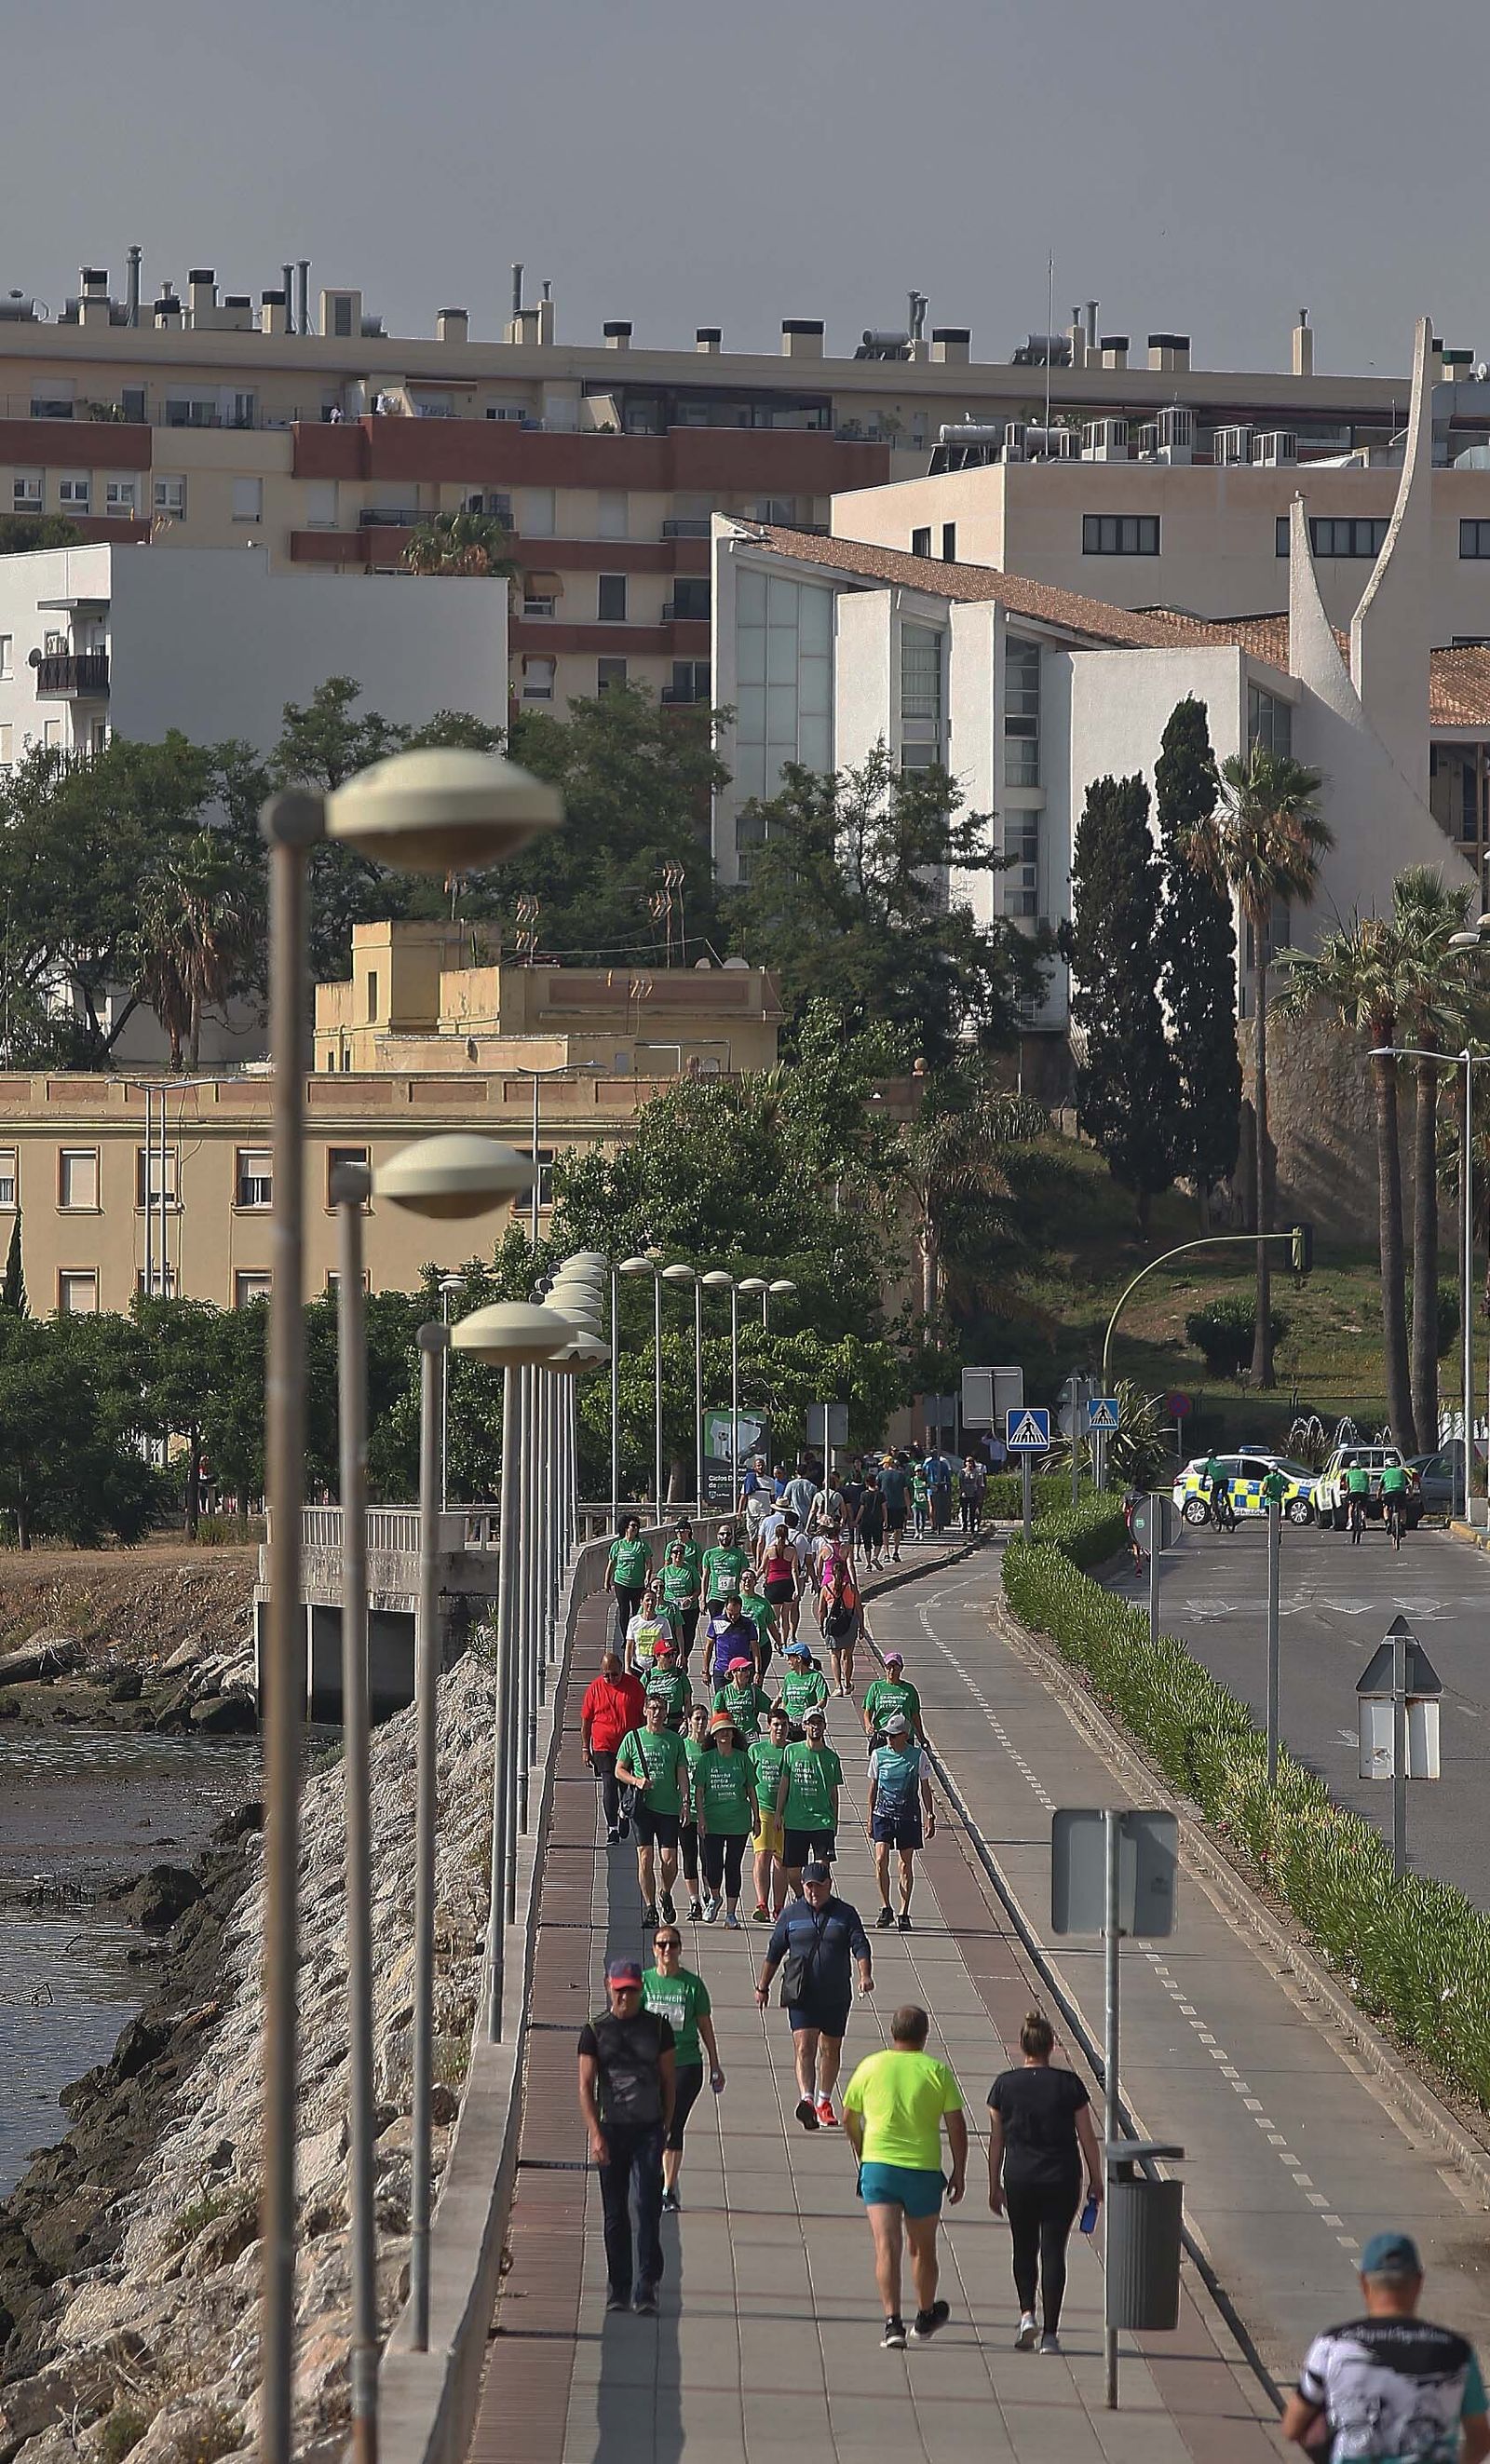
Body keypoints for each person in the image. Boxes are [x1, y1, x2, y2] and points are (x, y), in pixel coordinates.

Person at [1281, 2229, 1490, 2464]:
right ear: (1419, 2282)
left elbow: (1292, 2427)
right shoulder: (1457, 2352)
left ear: (1363, 2283)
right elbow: (1480, 2440)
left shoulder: (1332, 2346)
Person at [842, 2004, 968, 2349]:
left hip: (879, 2167)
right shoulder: (937, 2071)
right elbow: (956, 2126)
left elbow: (848, 2117)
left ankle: (892, 2324)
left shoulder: (870, 2066)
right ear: (925, 2035)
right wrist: (959, 2170)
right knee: (922, 2248)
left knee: (886, 2246)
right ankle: (925, 2316)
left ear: (892, 2032)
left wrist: (863, 2150)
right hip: (923, 2170)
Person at [987, 2010, 1104, 2355]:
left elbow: (997, 2140)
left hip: (1020, 2177)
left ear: (1021, 2045)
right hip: (1062, 2178)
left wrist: (993, 2184)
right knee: (1054, 2251)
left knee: (1023, 2247)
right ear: (1052, 2046)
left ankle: (1027, 2315)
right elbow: (1087, 2137)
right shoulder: (1070, 2085)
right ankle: (1050, 2334)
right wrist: (1096, 2178)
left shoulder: (1004, 2086)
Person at [577, 1956, 676, 2315]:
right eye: (620, 1991)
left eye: (631, 1991)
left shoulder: (658, 2029)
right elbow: (585, 2086)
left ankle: (647, 2284)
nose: (625, 1998)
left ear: (640, 1991)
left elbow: (669, 2081)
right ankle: (619, 2287)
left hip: (648, 2129)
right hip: (612, 2130)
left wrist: (665, 2126)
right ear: (609, 1987)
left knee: (647, 2207)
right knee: (615, 2213)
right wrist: (595, 2133)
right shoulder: (594, 2031)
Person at [756, 1861, 874, 2130]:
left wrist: (865, 1975)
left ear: (829, 1885)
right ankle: (807, 2100)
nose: (813, 1891)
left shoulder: (845, 1914)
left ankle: (824, 2100)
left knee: (830, 2049)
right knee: (804, 2047)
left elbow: (860, 1945)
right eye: (809, 1886)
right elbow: (774, 1952)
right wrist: (762, 1987)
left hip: (835, 1994)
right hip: (802, 1993)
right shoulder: (791, 1915)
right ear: (803, 1886)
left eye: (818, 1886)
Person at [643, 1923, 724, 2212]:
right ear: (654, 1950)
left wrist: (715, 2064)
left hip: (685, 2064)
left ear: (680, 1949)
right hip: (650, 2066)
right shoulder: (644, 1983)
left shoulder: (692, 1985)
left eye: (672, 1945)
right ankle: (652, 2177)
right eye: (662, 1944)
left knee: (673, 2123)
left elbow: (705, 2026)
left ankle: (668, 2189)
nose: (667, 1950)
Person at [615, 1690, 693, 1929]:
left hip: (668, 1807)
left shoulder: (674, 1741)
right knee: (645, 1857)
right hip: (643, 1808)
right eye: (653, 1708)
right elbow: (619, 1770)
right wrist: (636, 1781)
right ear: (645, 1711)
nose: (657, 1713)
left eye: (661, 1709)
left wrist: (685, 1803)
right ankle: (650, 1907)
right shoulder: (633, 1738)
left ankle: (665, 1892)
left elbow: (682, 1773)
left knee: (670, 1861)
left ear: (666, 1713)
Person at [867, 1712, 936, 1932]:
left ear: (905, 1735)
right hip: (883, 1814)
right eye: (887, 1734)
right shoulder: (878, 1755)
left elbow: (925, 1787)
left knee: (905, 1863)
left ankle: (904, 1912)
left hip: (908, 1816)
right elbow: (873, 1788)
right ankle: (885, 1906)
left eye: (894, 1735)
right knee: (880, 1859)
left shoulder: (918, 1756)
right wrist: (869, 1817)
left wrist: (930, 1815)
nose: (889, 1738)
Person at [695, 1709, 760, 1925]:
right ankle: (715, 1898)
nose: (725, 1734)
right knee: (713, 1866)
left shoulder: (743, 1759)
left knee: (733, 1866)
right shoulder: (706, 1760)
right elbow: (699, 1792)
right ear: (713, 1735)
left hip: (738, 1822)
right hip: (712, 1821)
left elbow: (751, 1790)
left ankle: (731, 1913)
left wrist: (757, 1819)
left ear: (734, 1734)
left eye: (729, 1731)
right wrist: (701, 1818)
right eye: (720, 1731)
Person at [776, 1702, 843, 1891]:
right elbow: (784, 1784)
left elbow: (833, 1792)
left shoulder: (831, 1758)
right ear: (804, 1726)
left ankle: (820, 1902)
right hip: (795, 1820)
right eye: (811, 1723)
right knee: (793, 1872)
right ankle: (802, 1898)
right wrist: (778, 1813)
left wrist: (834, 1820)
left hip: (822, 1821)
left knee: (822, 1869)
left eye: (819, 1723)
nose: (815, 1727)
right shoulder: (791, 1751)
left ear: (824, 1726)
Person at [581, 1651, 646, 1843]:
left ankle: (624, 1812)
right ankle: (612, 1828)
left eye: (615, 1674)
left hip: (629, 1745)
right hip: (604, 1745)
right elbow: (586, 1720)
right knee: (609, 1784)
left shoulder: (634, 1686)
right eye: (606, 1675)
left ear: (621, 1670)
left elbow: (643, 1716)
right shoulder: (594, 1689)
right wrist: (585, 1748)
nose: (611, 1679)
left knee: (627, 1786)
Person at [749, 1704, 792, 1923]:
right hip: (763, 1810)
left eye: (783, 1725)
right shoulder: (757, 1750)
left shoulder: (792, 1750)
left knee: (781, 1861)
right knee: (762, 1855)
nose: (780, 1729)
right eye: (776, 1724)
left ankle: (779, 1907)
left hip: (787, 1813)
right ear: (768, 1726)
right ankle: (761, 1903)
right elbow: (747, 1781)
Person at [678, 1701, 711, 1920]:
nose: (700, 1723)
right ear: (689, 1721)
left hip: (708, 1811)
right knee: (689, 1856)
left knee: (707, 1856)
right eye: (697, 1719)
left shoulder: (711, 1748)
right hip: (686, 1810)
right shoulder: (682, 1746)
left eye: (704, 1719)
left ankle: (709, 1894)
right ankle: (694, 1901)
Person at [862, 1649, 926, 1749]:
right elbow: (868, 1710)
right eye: (889, 1667)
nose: (892, 1670)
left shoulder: (909, 1689)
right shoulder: (876, 1687)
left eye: (896, 1667)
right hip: (883, 1735)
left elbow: (915, 1716)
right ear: (885, 1667)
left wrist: (921, 1737)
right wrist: (868, 1724)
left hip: (903, 1737)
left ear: (901, 1669)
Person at [606, 1515, 654, 1646]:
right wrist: (607, 1580)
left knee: (637, 1611)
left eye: (637, 1526)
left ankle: (636, 1637)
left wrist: (647, 1577)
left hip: (638, 1584)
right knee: (624, 1610)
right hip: (621, 1582)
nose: (635, 1528)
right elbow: (611, 1564)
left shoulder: (642, 1545)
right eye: (632, 1526)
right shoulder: (618, 1545)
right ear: (625, 1527)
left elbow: (649, 1564)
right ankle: (626, 1639)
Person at [822, 1554, 865, 1697]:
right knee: (847, 1655)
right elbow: (858, 1608)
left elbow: (821, 1610)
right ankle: (847, 1684)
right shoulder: (852, 1588)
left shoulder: (826, 1588)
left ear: (832, 1573)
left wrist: (822, 1626)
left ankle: (838, 1686)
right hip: (850, 1622)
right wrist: (862, 1626)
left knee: (834, 1655)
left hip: (833, 1623)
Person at [658, 1529, 702, 1665]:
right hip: (671, 1609)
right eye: (675, 1552)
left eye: (681, 1553)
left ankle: (684, 1659)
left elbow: (698, 1589)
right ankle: (672, 1659)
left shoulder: (691, 1569)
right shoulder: (665, 1571)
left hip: (688, 1609)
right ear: (671, 1555)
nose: (678, 1555)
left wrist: (691, 1598)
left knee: (688, 1637)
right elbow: (656, 1587)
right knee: (672, 1637)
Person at [703, 1592, 761, 1691]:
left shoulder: (748, 1624)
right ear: (725, 1608)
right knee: (720, 1698)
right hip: (722, 1669)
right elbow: (708, 1648)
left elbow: (755, 1649)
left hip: (742, 1670)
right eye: (730, 1614)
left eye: (736, 1614)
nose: (733, 1617)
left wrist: (757, 1671)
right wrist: (705, 1671)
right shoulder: (716, 1623)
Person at [777, 1635, 831, 1737]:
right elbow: (785, 1702)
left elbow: (822, 1701)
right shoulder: (788, 1677)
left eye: (789, 1657)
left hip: (807, 1725)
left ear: (798, 1659)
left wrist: (810, 1714)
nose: (787, 1661)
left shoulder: (816, 1677)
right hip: (790, 1726)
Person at [711, 1650, 770, 1738]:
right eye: (743, 1670)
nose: (747, 1673)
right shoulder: (723, 1693)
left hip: (751, 1735)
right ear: (733, 1672)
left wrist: (779, 1698)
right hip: (733, 1735)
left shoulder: (754, 1691)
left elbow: (770, 1708)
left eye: (749, 1669)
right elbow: (716, 1716)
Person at [761, 1516, 802, 1642]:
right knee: (785, 1615)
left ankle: (777, 1640)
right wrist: (797, 1589)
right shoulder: (792, 1550)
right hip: (788, 1584)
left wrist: (753, 1578)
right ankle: (784, 1642)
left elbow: (762, 1568)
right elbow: (794, 1570)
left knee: (775, 1616)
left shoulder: (769, 1550)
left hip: (773, 1585)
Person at [625, 1584, 675, 1678]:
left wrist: (671, 1665)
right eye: (647, 1600)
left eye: (653, 1600)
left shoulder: (663, 1622)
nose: (650, 1603)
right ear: (641, 1602)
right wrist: (627, 1668)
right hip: (637, 1667)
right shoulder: (633, 1622)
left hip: (657, 1667)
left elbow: (669, 1644)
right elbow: (629, 1646)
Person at [701, 1520, 750, 1614]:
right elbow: (705, 1577)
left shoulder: (739, 1553)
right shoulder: (709, 1554)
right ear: (717, 1536)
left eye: (728, 1534)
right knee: (716, 1622)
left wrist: (744, 1596)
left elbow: (744, 1575)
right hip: (715, 1597)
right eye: (722, 1534)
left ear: (732, 1536)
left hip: (733, 1597)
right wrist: (703, 1598)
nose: (725, 1536)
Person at [879, 1455, 910, 1563]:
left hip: (885, 1506)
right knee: (898, 1529)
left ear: (887, 1464)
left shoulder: (881, 1475)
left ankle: (886, 1553)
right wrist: (908, 1508)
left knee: (885, 1530)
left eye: (884, 1464)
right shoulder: (901, 1475)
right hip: (899, 1506)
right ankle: (896, 1552)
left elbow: (878, 1491)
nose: (883, 1466)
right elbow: (905, 1492)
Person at [857, 1471, 887, 1571]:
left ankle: (868, 1564)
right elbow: (884, 1508)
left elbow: (861, 1508)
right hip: (877, 1521)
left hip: (865, 1521)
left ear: (866, 1483)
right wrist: (886, 1520)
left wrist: (856, 1520)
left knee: (867, 1543)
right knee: (878, 1542)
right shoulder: (881, 1494)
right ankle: (875, 1557)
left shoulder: (863, 1495)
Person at [1381, 1455, 1411, 1549]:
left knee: (1386, 1507)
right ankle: (1403, 1526)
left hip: (1389, 1493)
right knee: (1403, 1510)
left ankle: (1387, 1522)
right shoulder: (1401, 1472)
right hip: (1401, 1493)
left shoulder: (1385, 1473)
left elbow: (1380, 1487)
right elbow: (1408, 1485)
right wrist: (1411, 1494)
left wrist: (1378, 1496)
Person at [1346, 1456, 1371, 1545]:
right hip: (1363, 1492)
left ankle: (1350, 1521)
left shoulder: (1349, 1473)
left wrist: (1347, 1493)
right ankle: (1363, 1516)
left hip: (1354, 1492)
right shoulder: (1365, 1473)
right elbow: (1368, 1483)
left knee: (1351, 1505)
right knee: (1364, 1506)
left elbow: (1348, 1486)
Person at [960, 1455, 986, 1535]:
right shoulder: (962, 1472)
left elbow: (979, 1483)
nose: (970, 1463)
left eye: (971, 1461)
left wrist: (979, 1492)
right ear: (965, 1463)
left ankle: (972, 1526)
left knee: (973, 1511)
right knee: (964, 1511)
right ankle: (964, 1525)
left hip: (973, 1493)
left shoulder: (976, 1472)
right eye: (968, 1461)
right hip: (965, 1494)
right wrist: (962, 1491)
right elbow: (960, 1483)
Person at [911, 1461, 930, 1541]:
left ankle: (922, 1531)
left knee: (923, 1517)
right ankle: (917, 1531)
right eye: (917, 1471)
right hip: (916, 1501)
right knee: (916, 1516)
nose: (919, 1473)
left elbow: (929, 1487)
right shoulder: (913, 1480)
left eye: (920, 1471)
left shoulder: (926, 1480)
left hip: (924, 1501)